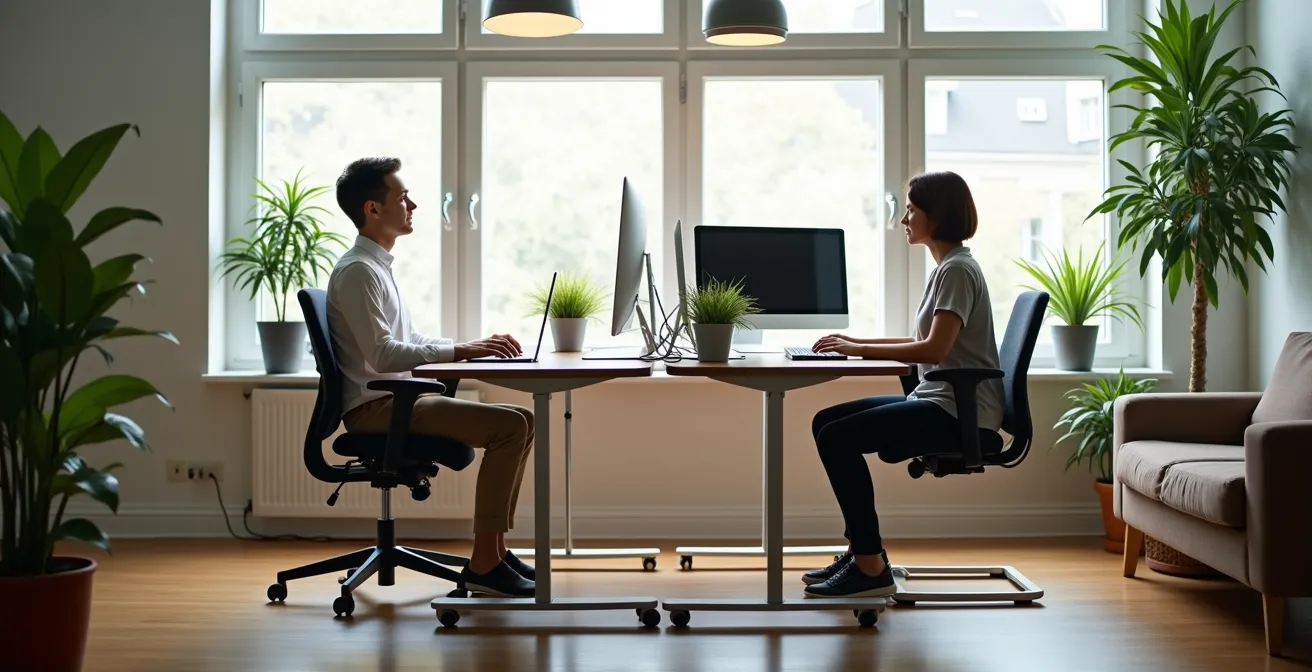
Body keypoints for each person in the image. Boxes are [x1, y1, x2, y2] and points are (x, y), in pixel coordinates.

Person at [326, 157, 537, 598]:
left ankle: (495, 551)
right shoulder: (358, 272)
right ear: (372, 208)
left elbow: (407, 339)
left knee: (523, 420)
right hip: (376, 409)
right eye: (403, 197)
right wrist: (461, 352)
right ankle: (483, 565)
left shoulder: (377, 267)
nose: (413, 204)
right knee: (511, 426)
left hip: (395, 400)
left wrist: (469, 345)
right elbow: (384, 355)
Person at [801, 170, 1004, 598]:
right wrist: (854, 343)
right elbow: (920, 342)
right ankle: (861, 551)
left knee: (837, 438)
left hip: (957, 411)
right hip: (939, 399)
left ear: (937, 214)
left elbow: (932, 351)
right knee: (826, 422)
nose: (904, 219)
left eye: (911, 210)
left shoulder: (957, 272)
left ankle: (870, 565)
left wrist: (858, 351)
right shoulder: (947, 268)